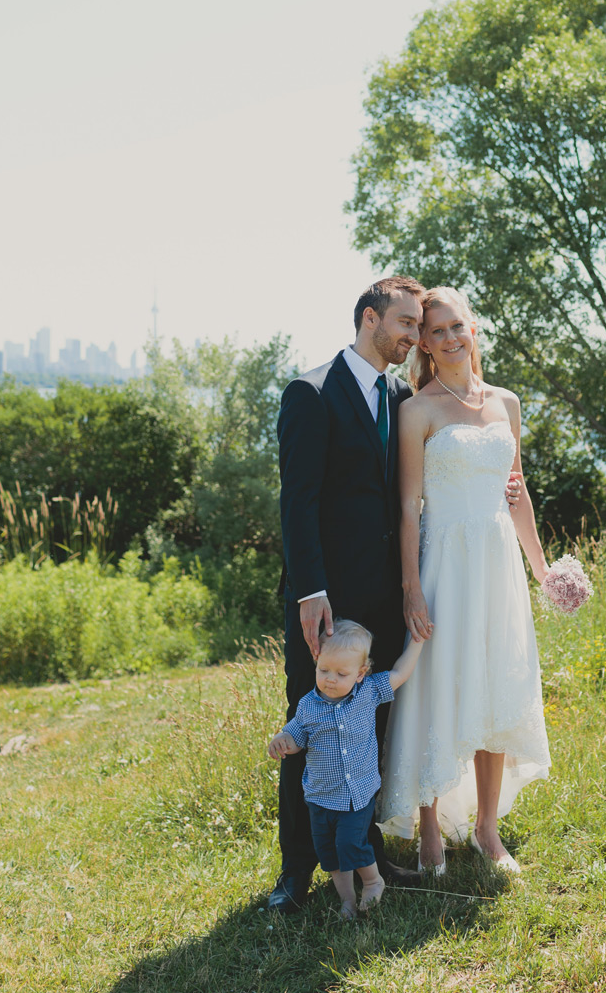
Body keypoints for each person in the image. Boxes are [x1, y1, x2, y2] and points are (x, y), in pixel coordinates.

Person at [378, 287, 551, 875]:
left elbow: (517, 491)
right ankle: (428, 830)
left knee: (494, 682)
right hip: (443, 562)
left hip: (497, 563)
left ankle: (486, 828)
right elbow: (407, 507)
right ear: (423, 343)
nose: (450, 338)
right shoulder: (417, 410)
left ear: (473, 329)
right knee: (438, 685)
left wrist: (543, 571)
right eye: (437, 330)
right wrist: (410, 588)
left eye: (459, 326)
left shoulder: (507, 402)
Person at [269, 275, 427, 913]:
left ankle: (367, 854)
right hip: (327, 603)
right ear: (370, 318)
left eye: (419, 326)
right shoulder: (310, 393)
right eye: (407, 324)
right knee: (309, 723)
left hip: (385, 596)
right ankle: (295, 868)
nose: (414, 337)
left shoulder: (398, 394)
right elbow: (297, 503)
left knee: (375, 727)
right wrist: (311, 591)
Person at [268, 619, 425, 919]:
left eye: (341, 674)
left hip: (356, 795)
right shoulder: (308, 706)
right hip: (319, 797)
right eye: (323, 670)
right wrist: (282, 741)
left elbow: (400, 673)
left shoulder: (369, 692)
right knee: (331, 856)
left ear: (360, 674)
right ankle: (347, 901)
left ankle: (373, 881)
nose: (330, 679)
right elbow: (296, 737)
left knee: (350, 842)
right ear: (316, 662)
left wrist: (416, 642)